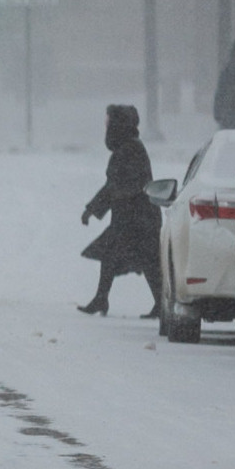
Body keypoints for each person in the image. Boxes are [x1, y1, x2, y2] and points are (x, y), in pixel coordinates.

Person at [78, 103, 161, 316]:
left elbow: (117, 186)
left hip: (136, 219)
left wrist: (92, 209)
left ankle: (103, 300)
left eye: (109, 122)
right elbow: (115, 186)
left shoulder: (129, 150)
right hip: (136, 218)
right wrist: (94, 208)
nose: (106, 127)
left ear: (118, 125)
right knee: (138, 259)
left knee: (142, 260)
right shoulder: (129, 148)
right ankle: (102, 299)